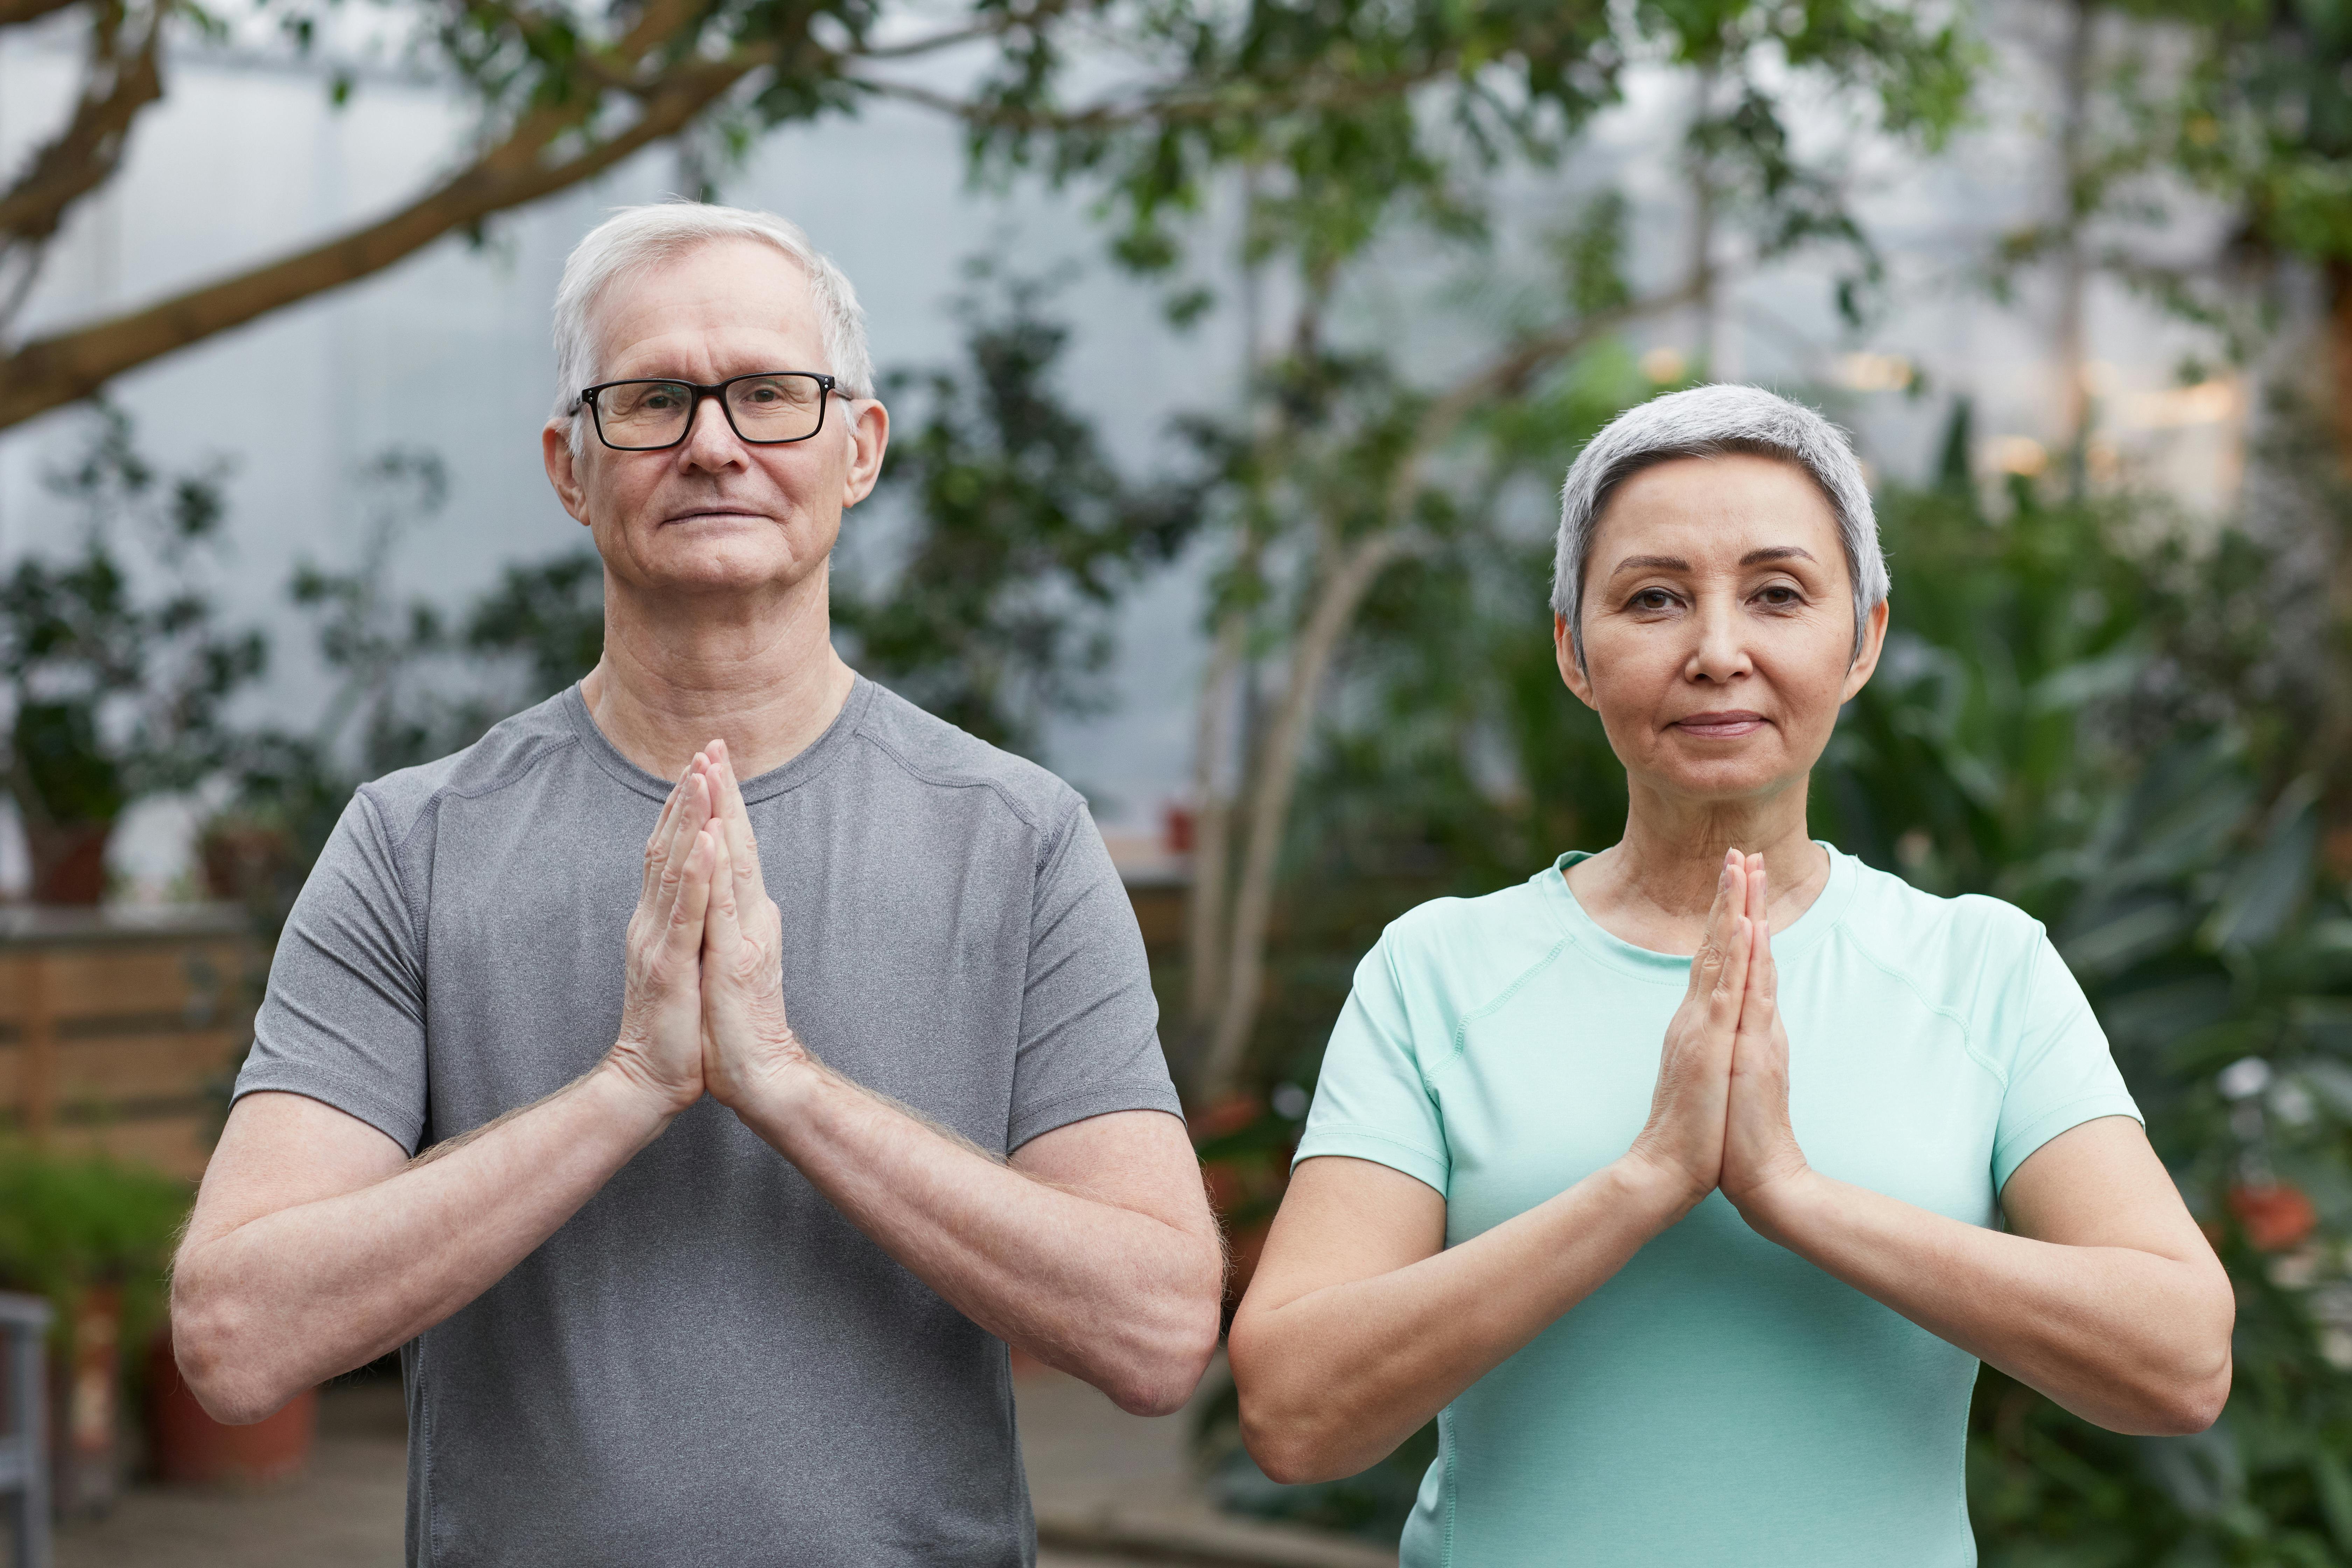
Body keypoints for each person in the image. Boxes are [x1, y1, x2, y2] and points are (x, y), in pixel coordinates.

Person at [169, 201, 1224, 1568]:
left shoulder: (1017, 838)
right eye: (655, 397)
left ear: (861, 447)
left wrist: (784, 1083)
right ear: (570, 463)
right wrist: (625, 1088)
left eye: (770, 394)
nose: (714, 442)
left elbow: (1155, 1328)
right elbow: (237, 1338)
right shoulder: (412, 844)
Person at [1225, 384, 2233, 1567]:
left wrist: (1794, 1196)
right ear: (1574, 651)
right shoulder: (1438, 970)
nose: (1716, 652)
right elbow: (1292, 1410)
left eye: (1779, 594)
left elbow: (2181, 1359)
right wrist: (1646, 1181)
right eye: (1653, 598)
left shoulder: (1983, 966)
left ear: (1862, 641)